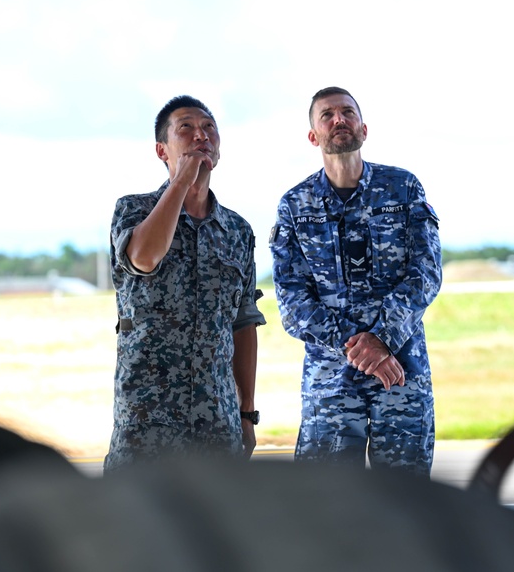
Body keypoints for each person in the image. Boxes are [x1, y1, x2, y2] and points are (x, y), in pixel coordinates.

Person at [270, 86, 442, 475]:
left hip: (400, 375)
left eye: (347, 112)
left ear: (364, 127)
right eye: (327, 115)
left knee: (408, 504)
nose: (339, 120)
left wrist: (381, 339)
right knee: (326, 507)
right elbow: (293, 302)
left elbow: (426, 274)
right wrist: (361, 351)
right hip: (331, 383)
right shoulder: (295, 205)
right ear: (313, 136)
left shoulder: (404, 189)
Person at [104, 95, 265, 471]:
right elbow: (144, 257)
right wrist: (181, 182)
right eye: (186, 129)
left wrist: (247, 414)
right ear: (162, 149)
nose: (201, 136)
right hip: (147, 419)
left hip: (217, 418)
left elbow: (243, 324)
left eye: (209, 128)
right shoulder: (133, 209)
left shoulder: (237, 231)